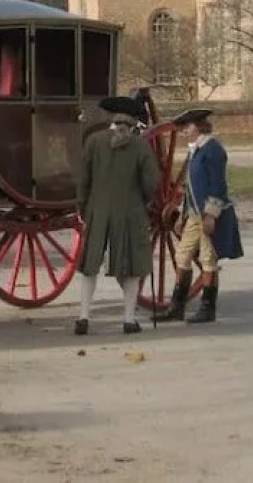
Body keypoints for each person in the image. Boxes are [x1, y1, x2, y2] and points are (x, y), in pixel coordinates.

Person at [75, 94, 161, 335]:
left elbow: (84, 180)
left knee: (90, 265)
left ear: (111, 118)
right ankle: (129, 319)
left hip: (98, 210)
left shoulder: (94, 141)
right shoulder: (141, 146)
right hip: (130, 212)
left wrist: (84, 208)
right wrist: (140, 202)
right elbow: (152, 183)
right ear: (133, 122)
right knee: (132, 267)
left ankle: (83, 317)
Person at [158, 107, 243, 324]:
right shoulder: (195, 149)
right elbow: (191, 187)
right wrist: (183, 216)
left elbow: (218, 186)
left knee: (208, 259)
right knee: (182, 256)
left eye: (187, 126)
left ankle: (208, 308)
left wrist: (211, 215)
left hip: (209, 213)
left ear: (198, 126)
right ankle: (177, 306)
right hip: (194, 214)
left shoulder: (213, 150)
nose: (185, 131)